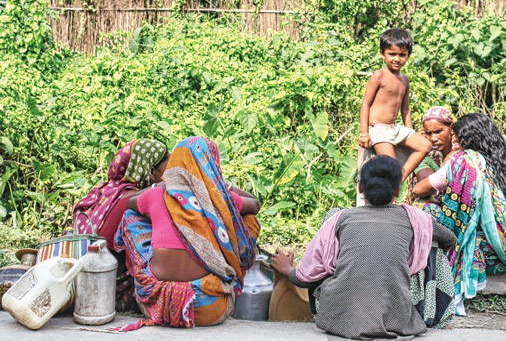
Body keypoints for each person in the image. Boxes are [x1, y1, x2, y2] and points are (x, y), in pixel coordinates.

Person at [271, 156, 457, 340]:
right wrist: (413, 247)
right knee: (432, 243)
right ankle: (437, 317)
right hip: (398, 322)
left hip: (336, 320)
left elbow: (306, 277)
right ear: (398, 189)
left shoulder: (340, 218)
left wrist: (287, 269)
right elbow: (450, 240)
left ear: (360, 187)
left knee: (331, 247)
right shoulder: (415, 219)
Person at [113, 136, 260, 329]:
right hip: (210, 310)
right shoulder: (218, 199)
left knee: (132, 217)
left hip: (157, 305)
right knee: (249, 220)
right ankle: (229, 273)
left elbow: (129, 203)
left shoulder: (157, 195)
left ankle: (149, 281)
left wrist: (160, 186)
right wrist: (222, 186)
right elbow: (255, 204)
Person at [413, 113, 506, 315]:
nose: (454, 142)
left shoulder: (466, 164)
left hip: (486, 252)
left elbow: (419, 190)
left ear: (467, 140)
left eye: (456, 137)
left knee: (422, 208)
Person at [69, 139, 169, 312]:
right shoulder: (136, 200)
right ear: (152, 172)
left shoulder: (108, 191)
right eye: (168, 167)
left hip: (76, 277)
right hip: (106, 288)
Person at [358, 28, 431, 182]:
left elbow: (405, 109)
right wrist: (364, 133)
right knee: (390, 165)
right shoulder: (379, 75)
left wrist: (410, 131)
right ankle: (392, 188)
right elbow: (366, 103)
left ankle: (400, 178)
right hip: (378, 129)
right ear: (382, 53)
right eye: (392, 54)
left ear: (408, 55)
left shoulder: (405, 80)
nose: (397, 59)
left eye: (402, 55)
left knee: (425, 145)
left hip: (395, 128)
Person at [406, 106, 457, 222]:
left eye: (438, 132)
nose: (433, 138)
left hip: (461, 208)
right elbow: (427, 189)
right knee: (423, 204)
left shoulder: (462, 153)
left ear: (452, 129)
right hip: (438, 210)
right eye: (428, 133)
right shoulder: (424, 156)